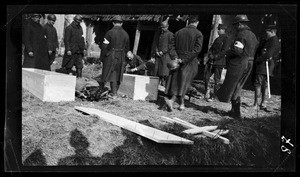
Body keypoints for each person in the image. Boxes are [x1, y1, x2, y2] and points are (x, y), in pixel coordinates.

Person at [216, 15, 258, 119]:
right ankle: (234, 111)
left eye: (235, 25)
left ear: (239, 24)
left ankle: (236, 112)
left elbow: (237, 51)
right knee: (238, 86)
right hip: (249, 62)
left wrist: (227, 52)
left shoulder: (241, 34)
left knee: (232, 85)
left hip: (240, 63)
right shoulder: (253, 35)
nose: (234, 27)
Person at [164, 15, 203, 111]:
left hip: (177, 61)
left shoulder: (178, 32)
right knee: (185, 82)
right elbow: (197, 50)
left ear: (188, 22)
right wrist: (184, 60)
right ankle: (173, 101)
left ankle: (181, 103)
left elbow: (171, 47)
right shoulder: (198, 34)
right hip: (189, 61)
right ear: (196, 23)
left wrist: (176, 58)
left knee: (177, 81)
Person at [98, 15, 130, 99]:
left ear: (113, 23)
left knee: (106, 73)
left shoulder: (109, 33)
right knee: (116, 74)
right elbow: (127, 49)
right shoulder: (126, 34)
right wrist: (125, 60)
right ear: (121, 23)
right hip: (121, 56)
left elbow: (104, 46)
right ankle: (114, 93)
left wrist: (102, 58)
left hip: (111, 55)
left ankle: (99, 91)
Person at [249, 25, 280, 110]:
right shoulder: (270, 40)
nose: (266, 34)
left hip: (264, 66)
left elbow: (268, 54)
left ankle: (256, 104)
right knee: (264, 85)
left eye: (267, 32)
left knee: (258, 84)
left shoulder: (273, 41)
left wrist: (258, 59)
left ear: (272, 32)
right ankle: (262, 103)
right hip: (267, 66)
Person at [204, 23, 230, 102]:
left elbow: (224, 51)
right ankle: (207, 92)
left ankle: (215, 95)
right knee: (206, 77)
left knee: (217, 80)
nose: (218, 30)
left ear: (223, 30)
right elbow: (211, 48)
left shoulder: (226, 39)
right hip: (211, 61)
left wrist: (215, 57)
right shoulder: (217, 39)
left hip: (219, 62)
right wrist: (210, 55)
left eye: (219, 29)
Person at [150, 20, 177, 87]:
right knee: (157, 71)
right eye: (162, 27)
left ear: (167, 27)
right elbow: (155, 43)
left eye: (164, 27)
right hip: (158, 55)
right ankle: (156, 85)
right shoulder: (158, 34)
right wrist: (156, 51)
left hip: (165, 55)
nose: (163, 29)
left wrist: (163, 51)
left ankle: (164, 83)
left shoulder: (170, 34)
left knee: (164, 71)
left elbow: (171, 46)